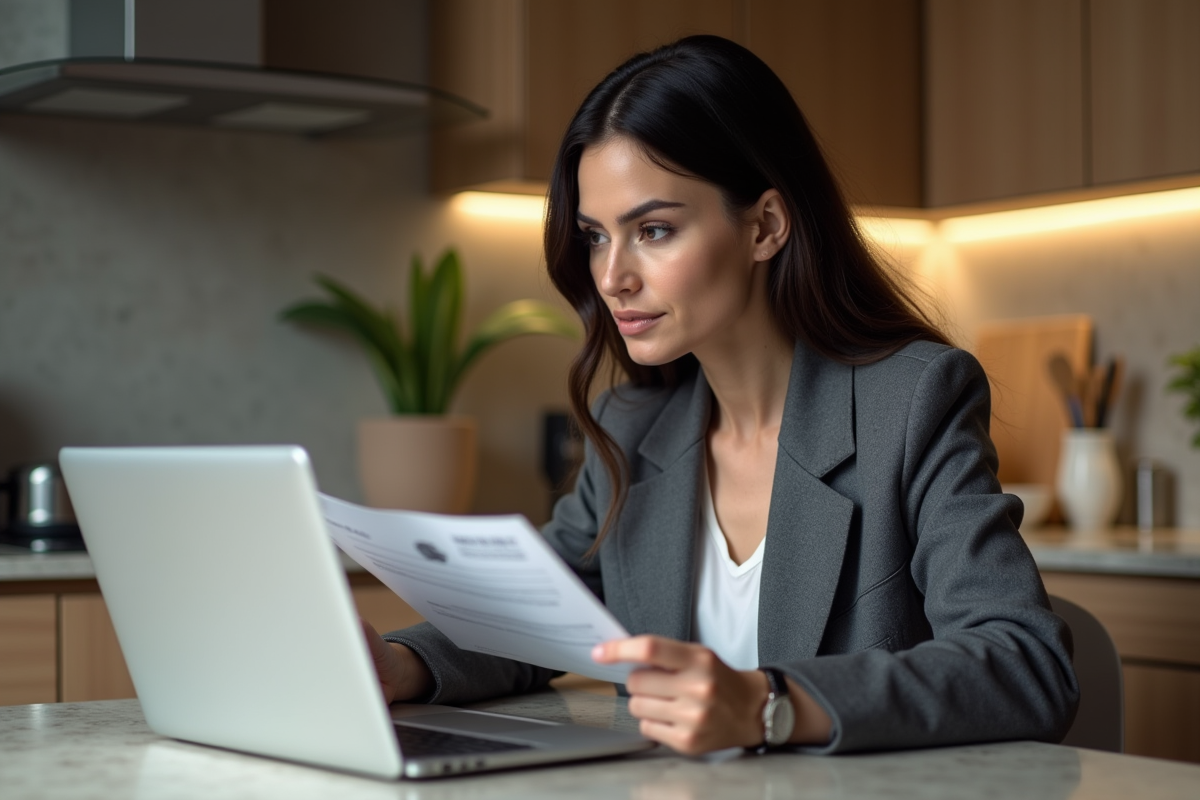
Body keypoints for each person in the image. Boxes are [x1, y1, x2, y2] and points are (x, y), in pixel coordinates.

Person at [363, 35, 1078, 755]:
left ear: (765, 225)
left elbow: (1027, 662)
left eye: (653, 230)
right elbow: (534, 617)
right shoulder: (633, 429)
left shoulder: (913, 400)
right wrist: (398, 665)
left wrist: (772, 704)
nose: (613, 277)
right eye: (594, 237)